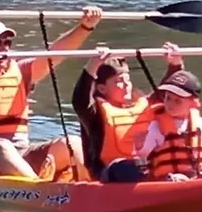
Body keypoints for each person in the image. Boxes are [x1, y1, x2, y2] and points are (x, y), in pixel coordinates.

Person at [0, 4, 103, 182]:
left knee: (72, 143)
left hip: (20, 153)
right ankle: (39, 189)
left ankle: (89, 186)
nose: (4, 48)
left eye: (7, 43)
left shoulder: (21, 71)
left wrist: (85, 27)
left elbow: (56, 54)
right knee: (2, 146)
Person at [71, 42, 184, 183]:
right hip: (110, 172)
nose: (127, 85)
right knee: (125, 167)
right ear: (102, 89)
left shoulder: (144, 105)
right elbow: (80, 101)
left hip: (148, 168)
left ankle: (169, 179)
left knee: (162, 161)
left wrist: (175, 65)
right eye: (119, 81)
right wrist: (93, 65)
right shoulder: (94, 114)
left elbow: (168, 91)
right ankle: (157, 180)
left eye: (128, 80)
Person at [136, 70, 202, 181]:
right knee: (178, 179)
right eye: (168, 98)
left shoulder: (197, 122)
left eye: (178, 101)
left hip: (197, 175)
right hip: (167, 178)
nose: (170, 104)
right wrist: (140, 146)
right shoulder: (157, 126)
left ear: (193, 103)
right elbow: (145, 152)